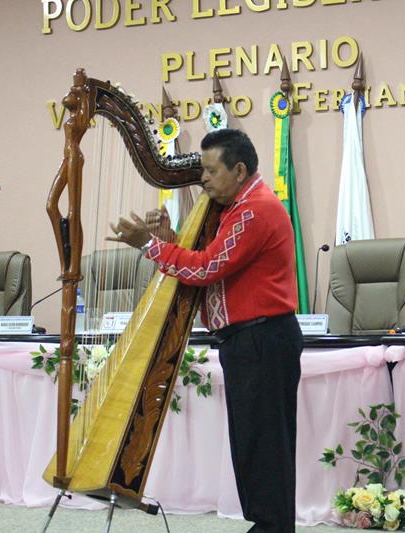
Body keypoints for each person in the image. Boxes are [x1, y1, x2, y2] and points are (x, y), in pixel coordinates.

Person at [108, 128, 303, 533]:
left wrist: (148, 245)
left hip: (263, 339)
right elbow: (208, 261)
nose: (204, 179)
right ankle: (267, 524)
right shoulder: (233, 207)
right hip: (247, 341)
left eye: (211, 171)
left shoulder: (255, 211)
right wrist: (167, 239)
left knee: (264, 445)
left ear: (240, 169)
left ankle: (272, 527)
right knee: (251, 443)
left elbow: (205, 269)